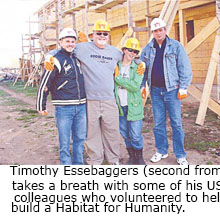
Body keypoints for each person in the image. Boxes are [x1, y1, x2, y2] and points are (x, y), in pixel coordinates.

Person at [44, 20, 145, 165]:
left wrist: (141, 63)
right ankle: (95, 160)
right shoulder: (82, 48)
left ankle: (113, 159)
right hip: (90, 100)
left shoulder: (115, 52)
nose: (102, 36)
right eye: (99, 33)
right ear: (94, 34)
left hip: (110, 100)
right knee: (92, 134)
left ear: (108, 35)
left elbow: (130, 58)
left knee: (112, 132)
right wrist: (48, 57)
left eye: (105, 34)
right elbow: (63, 49)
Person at [140, 18, 193, 165]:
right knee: (158, 123)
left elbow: (185, 67)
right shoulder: (148, 49)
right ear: (153, 32)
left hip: (172, 91)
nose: (158, 33)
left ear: (165, 30)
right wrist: (142, 85)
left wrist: (183, 87)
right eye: (155, 31)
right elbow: (141, 68)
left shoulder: (175, 46)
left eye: (161, 29)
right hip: (155, 91)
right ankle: (162, 151)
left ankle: (180, 154)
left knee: (176, 123)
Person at [36, 28, 87, 165]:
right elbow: (44, 83)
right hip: (64, 108)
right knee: (64, 141)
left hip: (81, 106)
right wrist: (41, 104)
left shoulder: (77, 59)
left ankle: (78, 165)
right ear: (60, 42)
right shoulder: (55, 59)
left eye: (72, 41)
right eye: (67, 41)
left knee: (80, 139)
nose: (70, 44)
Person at [114, 38, 146, 165]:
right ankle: (132, 156)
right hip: (120, 106)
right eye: (130, 50)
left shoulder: (138, 67)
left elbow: (134, 86)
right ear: (124, 50)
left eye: (135, 51)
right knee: (126, 134)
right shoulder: (116, 65)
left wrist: (118, 78)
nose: (132, 53)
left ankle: (140, 157)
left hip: (134, 106)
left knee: (136, 135)